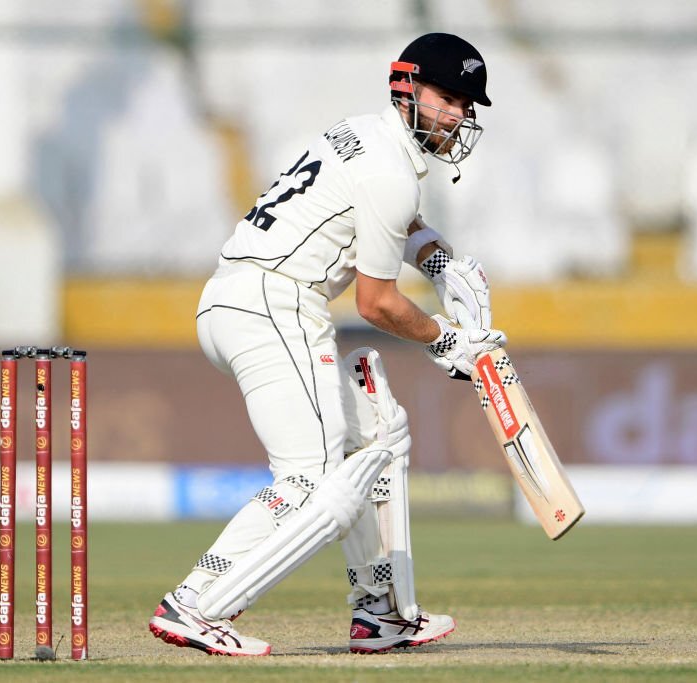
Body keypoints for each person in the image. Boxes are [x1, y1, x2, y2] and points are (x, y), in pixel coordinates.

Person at [148, 32, 506, 656]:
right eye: (446, 98)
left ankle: (379, 611)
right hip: (275, 302)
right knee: (311, 481)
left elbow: (397, 221)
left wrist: (444, 264)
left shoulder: (362, 134)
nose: (456, 115)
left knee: (374, 437)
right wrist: (447, 341)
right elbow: (376, 303)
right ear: (406, 88)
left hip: (240, 297)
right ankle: (196, 603)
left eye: (465, 105)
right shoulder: (391, 172)